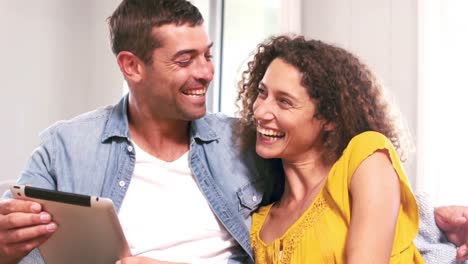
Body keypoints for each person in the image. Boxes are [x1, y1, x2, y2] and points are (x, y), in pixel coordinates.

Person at [0, 1, 467, 263]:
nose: (206, 72)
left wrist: (440, 219)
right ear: (132, 66)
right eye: (185, 61)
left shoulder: (242, 144)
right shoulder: (64, 148)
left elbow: (345, 182)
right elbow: (19, 241)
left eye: (207, 54)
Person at [236, 35, 428, 263]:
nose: (259, 112)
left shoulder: (365, 158)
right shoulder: (259, 225)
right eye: (262, 92)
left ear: (329, 117)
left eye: (284, 101)